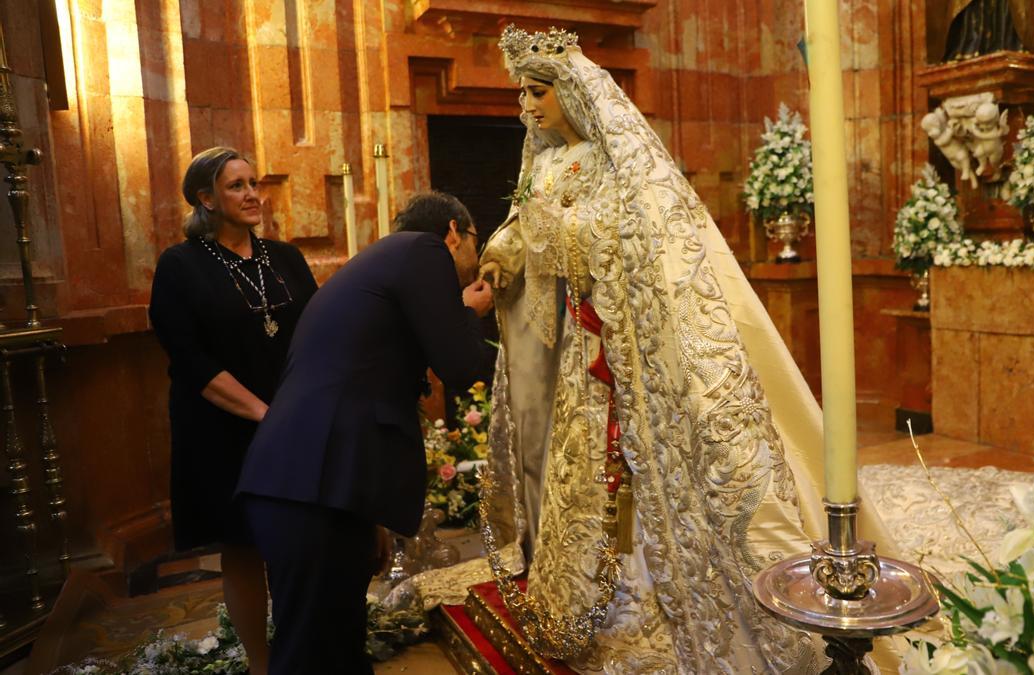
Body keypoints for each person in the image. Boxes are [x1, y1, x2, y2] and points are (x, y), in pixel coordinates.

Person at [477, 26, 899, 673]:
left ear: (574, 94)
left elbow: (638, 241)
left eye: (538, 93)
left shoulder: (614, 159)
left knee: (658, 478)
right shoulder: (543, 161)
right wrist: (503, 255)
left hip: (632, 352)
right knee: (588, 479)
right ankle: (590, 593)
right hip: (582, 357)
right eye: (522, 96)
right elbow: (523, 227)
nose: (527, 107)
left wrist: (569, 240)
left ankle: (662, 591)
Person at [236, 192, 493, 675]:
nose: (474, 257)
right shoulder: (424, 249)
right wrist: (470, 312)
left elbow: (364, 376)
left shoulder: (384, 263)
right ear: (455, 232)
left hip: (322, 485)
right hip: (310, 483)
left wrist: (367, 517)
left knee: (338, 644)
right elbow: (461, 366)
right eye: (475, 242)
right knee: (309, 651)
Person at [148, 146, 318, 675]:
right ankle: (262, 664)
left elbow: (314, 335)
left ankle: (304, 651)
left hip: (288, 421)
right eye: (236, 186)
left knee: (298, 540)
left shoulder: (285, 258)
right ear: (206, 198)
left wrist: (301, 408)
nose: (252, 195)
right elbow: (190, 361)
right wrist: (262, 413)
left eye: (254, 183)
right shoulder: (181, 265)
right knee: (245, 546)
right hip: (221, 429)